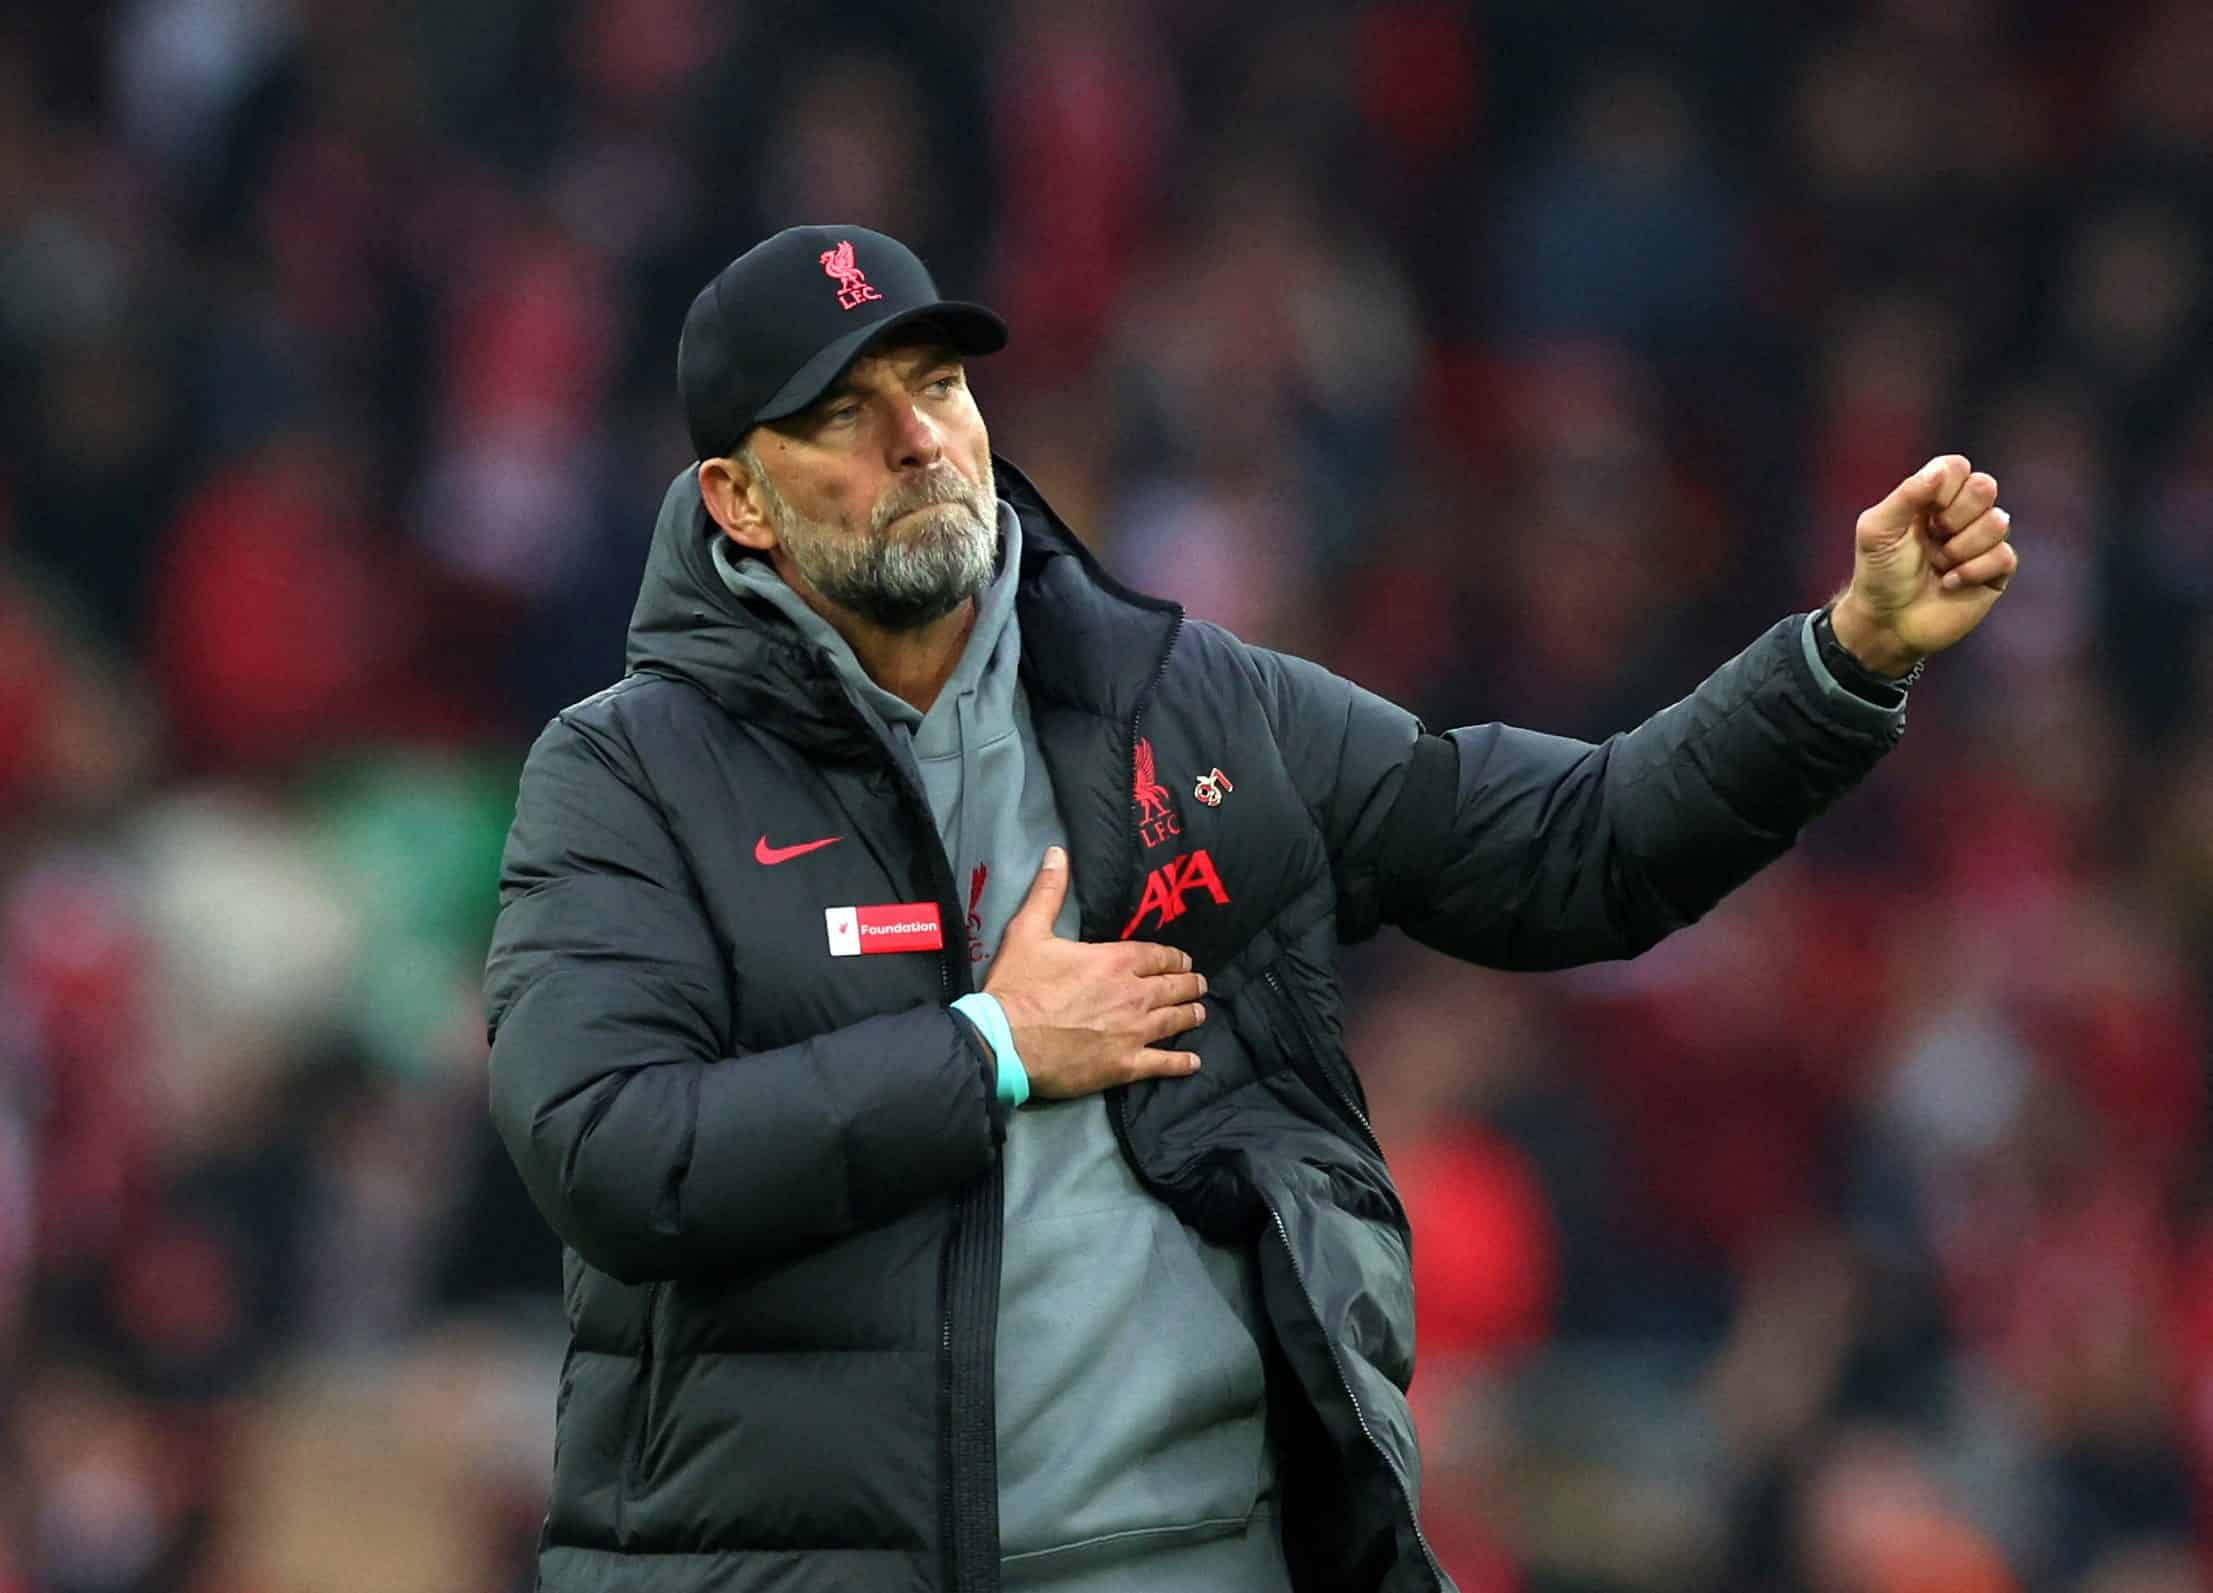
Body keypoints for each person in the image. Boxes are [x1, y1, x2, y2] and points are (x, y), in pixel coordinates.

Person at [482, 224, 2017, 1593]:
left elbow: (1575, 846)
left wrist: (1843, 657)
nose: (918, 437)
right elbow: (613, 1153)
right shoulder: (628, 773)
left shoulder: (1186, 704)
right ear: (738, 500)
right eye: (841, 413)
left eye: (936, 385)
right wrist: (989, 1049)